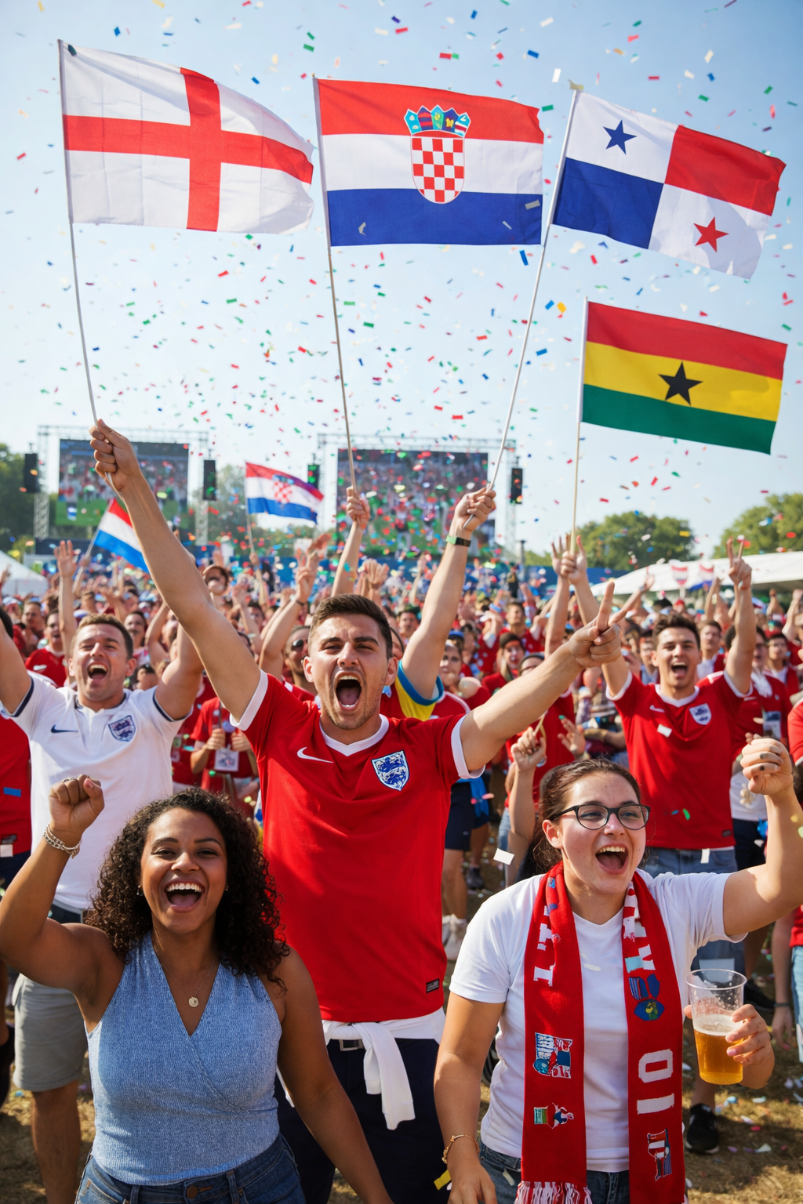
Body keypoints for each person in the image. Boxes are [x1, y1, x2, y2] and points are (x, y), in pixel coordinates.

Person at [88, 416, 622, 1204]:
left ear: (384, 664)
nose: (347, 656)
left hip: (407, 1032)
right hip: (279, 1023)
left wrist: (565, 662)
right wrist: (134, 488)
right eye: (330, 645)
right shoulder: (279, 723)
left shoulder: (428, 744)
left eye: (365, 646)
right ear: (305, 664)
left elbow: (502, 713)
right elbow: (198, 611)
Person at [434, 739, 800, 1204]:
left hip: (648, 1168)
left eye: (629, 813)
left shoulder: (674, 901)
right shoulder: (506, 916)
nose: (614, 826)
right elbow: (461, 1057)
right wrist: (463, 1160)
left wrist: (781, 795)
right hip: (523, 1170)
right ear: (552, 833)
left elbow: (782, 888)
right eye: (591, 814)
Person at [0, 778, 395, 1204]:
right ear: (138, 872)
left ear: (231, 877)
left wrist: (377, 1196)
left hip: (260, 1191)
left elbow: (318, 1093)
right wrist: (61, 835)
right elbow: (15, 940)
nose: (185, 863)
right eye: (165, 851)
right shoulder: (103, 961)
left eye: (206, 852)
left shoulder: (275, 968)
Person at [0, 607, 202, 1204]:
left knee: (158, 1083)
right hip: (53, 931)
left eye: (112, 644)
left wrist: (181, 585)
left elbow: (192, 660)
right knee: (51, 1086)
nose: (99, 651)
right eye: (88, 643)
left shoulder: (151, 714)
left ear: (133, 660)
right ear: (69, 660)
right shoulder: (43, 708)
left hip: (140, 932)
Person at [567, 537, 756, 1155]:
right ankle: (646, 1094)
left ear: (703, 656)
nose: (678, 653)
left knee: (718, 983)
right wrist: (578, 582)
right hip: (647, 863)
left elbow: (746, 653)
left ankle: (703, 1104)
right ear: (653, 656)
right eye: (668, 646)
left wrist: (744, 592)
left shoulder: (720, 698)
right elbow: (607, 643)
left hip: (714, 860)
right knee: (646, 983)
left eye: (688, 646)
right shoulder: (637, 699)